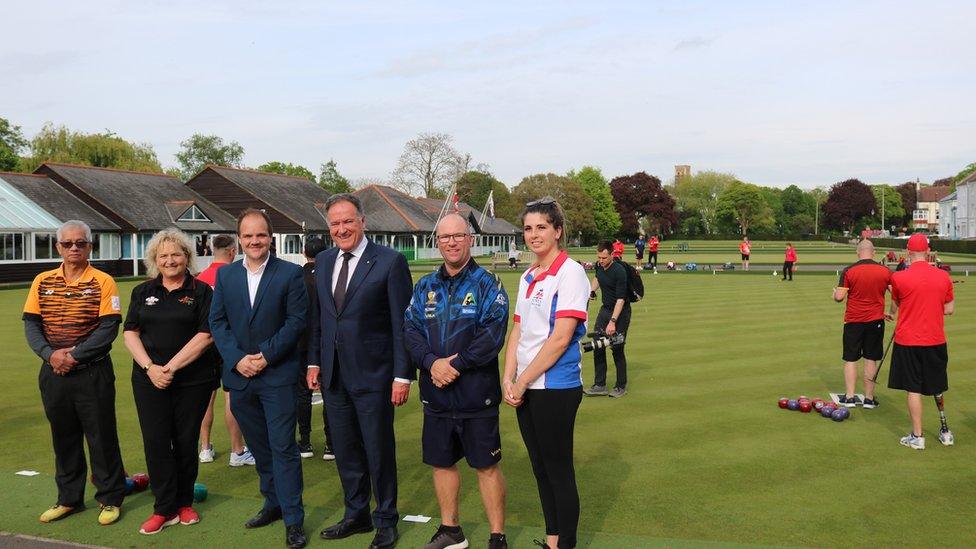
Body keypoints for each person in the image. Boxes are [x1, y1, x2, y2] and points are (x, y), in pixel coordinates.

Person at [306, 193, 413, 549]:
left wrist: (402, 375)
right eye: (334, 223)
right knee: (347, 450)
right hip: (334, 377)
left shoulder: (390, 261)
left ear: (363, 221)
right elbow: (319, 318)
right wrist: (314, 361)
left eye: (347, 221)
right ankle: (356, 514)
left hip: (375, 377)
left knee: (377, 450)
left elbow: (403, 324)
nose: (341, 229)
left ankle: (385, 519)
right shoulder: (322, 261)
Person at [404, 214, 510, 549]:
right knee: (442, 462)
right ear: (438, 241)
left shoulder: (488, 284)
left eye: (458, 236)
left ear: (471, 240)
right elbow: (410, 330)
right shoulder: (424, 286)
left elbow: (492, 334)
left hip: (476, 394)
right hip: (435, 394)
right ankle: (452, 531)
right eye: (445, 236)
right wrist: (431, 363)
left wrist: (456, 365)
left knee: (486, 466)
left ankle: (497, 537)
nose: (451, 242)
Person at [209, 209, 309, 548]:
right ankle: (273, 503)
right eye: (248, 236)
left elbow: (296, 323)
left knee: (283, 448)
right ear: (239, 238)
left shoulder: (290, 274)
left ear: (270, 237)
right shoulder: (226, 277)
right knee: (261, 448)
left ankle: (294, 520)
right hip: (240, 378)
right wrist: (238, 360)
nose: (255, 241)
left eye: (261, 235)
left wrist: (264, 356)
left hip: (277, 375)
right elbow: (217, 323)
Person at [23, 220, 126, 526]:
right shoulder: (42, 280)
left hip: (92, 372)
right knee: (64, 437)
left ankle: (110, 498)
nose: (74, 248)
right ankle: (69, 499)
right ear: (58, 247)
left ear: (89, 247)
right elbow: (31, 323)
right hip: (53, 371)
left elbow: (109, 327)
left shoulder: (104, 281)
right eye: (67, 244)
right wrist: (50, 355)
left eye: (80, 243)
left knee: (101, 436)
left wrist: (74, 356)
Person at [503, 197, 588, 549]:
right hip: (526, 386)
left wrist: (521, 381)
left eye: (541, 227)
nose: (534, 235)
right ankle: (552, 539)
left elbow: (560, 338)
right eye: (528, 228)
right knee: (540, 467)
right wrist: (508, 378)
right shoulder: (528, 275)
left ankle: (564, 544)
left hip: (555, 386)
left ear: (557, 230)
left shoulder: (571, 272)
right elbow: (518, 331)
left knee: (557, 469)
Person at [123, 228, 219, 535]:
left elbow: (206, 336)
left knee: (186, 440)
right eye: (163, 255)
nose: (170, 260)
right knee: (156, 441)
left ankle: (184, 503)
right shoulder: (142, 292)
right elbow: (130, 333)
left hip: (193, 379)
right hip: (149, 378)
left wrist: (170, 368)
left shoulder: (202, 292)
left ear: (187, 257)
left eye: (176, 254)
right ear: (154, 260)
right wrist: (152, 368)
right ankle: (163, 508)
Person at [887, 233, 955, 450]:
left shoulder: (898, 278)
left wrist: (892, 313)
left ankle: (918, 436)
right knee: (936, 386)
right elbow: (949, 309)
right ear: (927, 252)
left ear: (907, 252)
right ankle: (944, 432)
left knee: (913, 389)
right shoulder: (943, 277)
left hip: (908, 341)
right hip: (935, 339)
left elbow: (895, 305)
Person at [195, 234, 254, 467]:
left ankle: (205, 448)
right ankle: (237, 451)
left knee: (206, 399)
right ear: (232, 251)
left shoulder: (200, 278)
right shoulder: (236, 276)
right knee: (232, 396)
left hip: (204, 345)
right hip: (229, 344)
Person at [832, 239, 891, 408]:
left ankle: (850, 398)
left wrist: (834, 294)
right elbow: (896, 295)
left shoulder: (849, 271)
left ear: (858, 252)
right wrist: (891, 313)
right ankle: (869, 399)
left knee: (851, 359)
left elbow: (839, 297)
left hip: (853, 320)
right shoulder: (885, 270)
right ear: (873, 253)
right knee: (870, 359)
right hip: (876, 321)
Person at [295, 236, 335, 461]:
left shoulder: (297, 277)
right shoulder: (329, 276)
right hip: (325, 343)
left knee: (302, 393)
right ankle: (331, 444)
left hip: (302, 343)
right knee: (329, 391)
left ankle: (305, 442)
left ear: (304, 252)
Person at [584, 240, 630, 399]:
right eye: (599, 257)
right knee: (597, 345)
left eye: (604, 257)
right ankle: (600, 385)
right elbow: (598, 277)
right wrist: (591, 290)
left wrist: (613, 321)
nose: (601, 260)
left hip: (620, 312)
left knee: (617, 348)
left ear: (612, 254)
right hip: (605, 309)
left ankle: (621, 386)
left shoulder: (619, 271)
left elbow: (621, 300)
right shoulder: (599, 266)